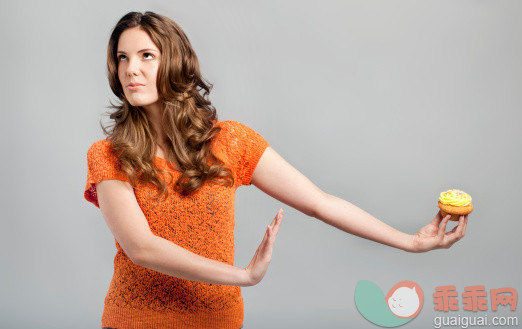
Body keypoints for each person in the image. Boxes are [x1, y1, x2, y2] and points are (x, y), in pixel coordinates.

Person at [84, 11, 469, 329]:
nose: (131, 68)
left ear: (175, 62)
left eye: (146, 55)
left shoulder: (232, 142)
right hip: (134, 320)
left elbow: (320, 203)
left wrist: (411, 242)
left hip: (217, 320)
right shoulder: (108, 155)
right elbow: (141, 248)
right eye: (122, 57)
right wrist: (244, 276)